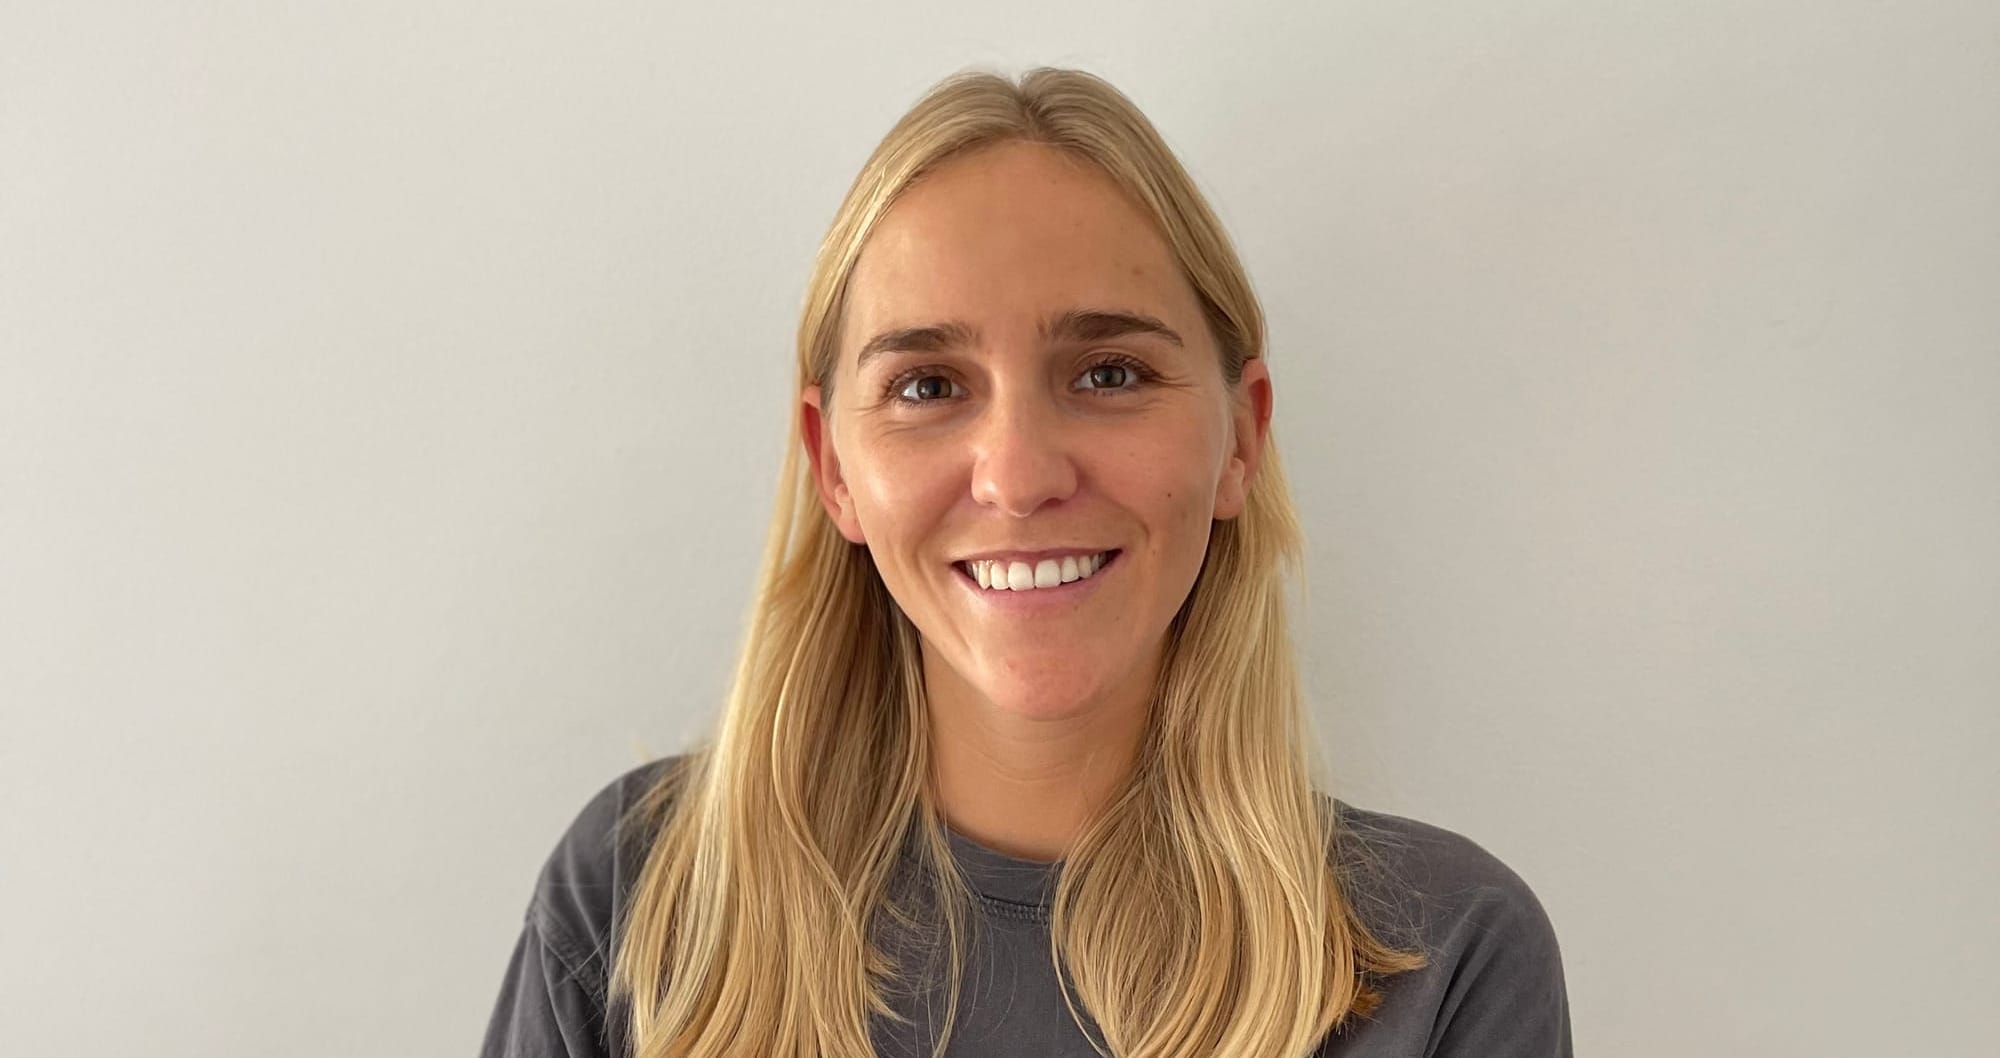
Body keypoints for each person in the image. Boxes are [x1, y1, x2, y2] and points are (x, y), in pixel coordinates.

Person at [480, 66, 1571, 1058]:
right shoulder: (641, 893)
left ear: (1240, 438)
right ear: (833, 466)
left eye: (1106, 372)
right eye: (927, 386)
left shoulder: (1443, 963)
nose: (1015, 474)